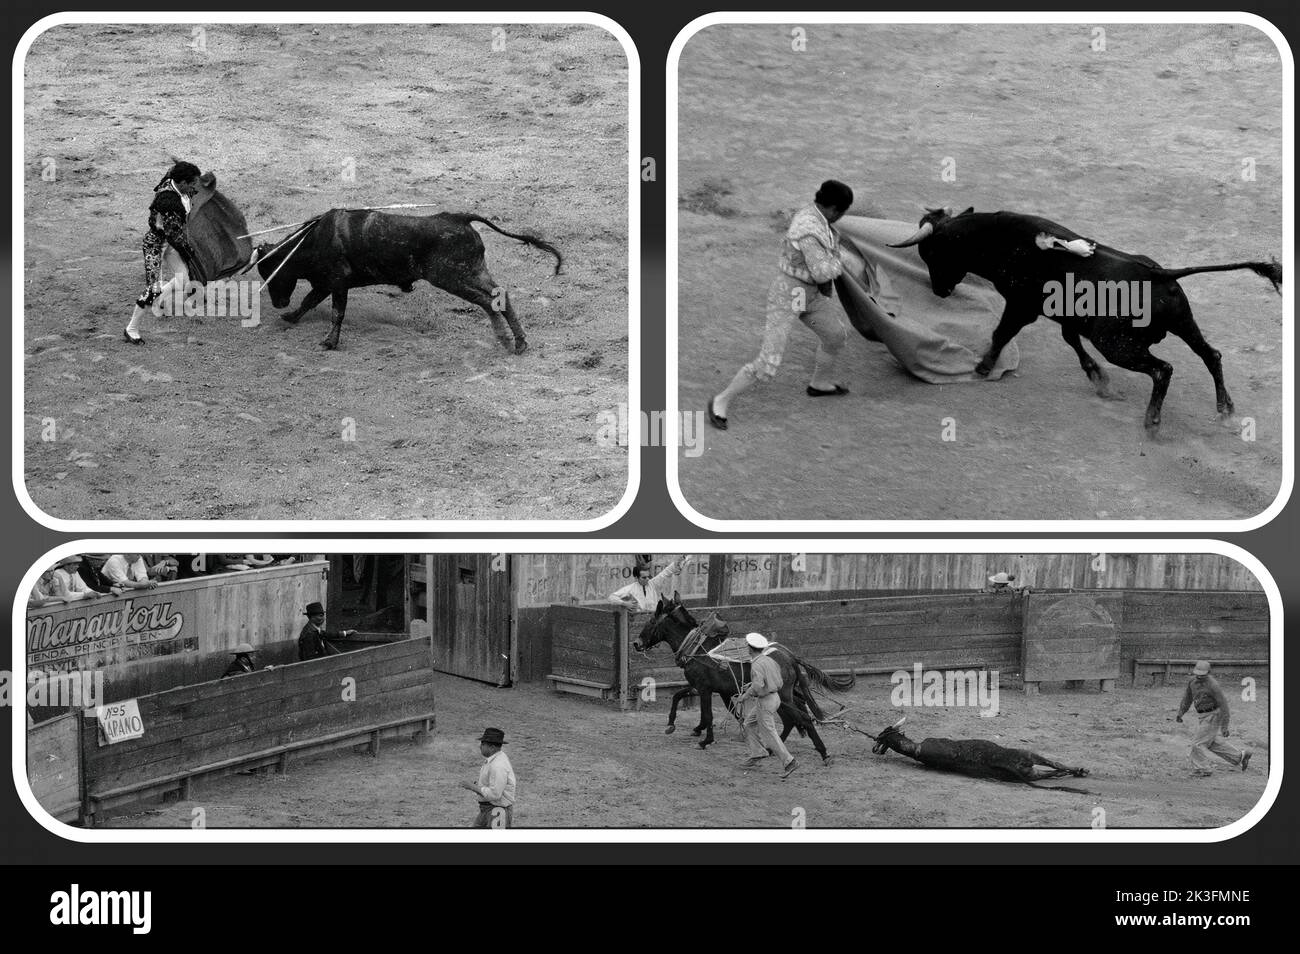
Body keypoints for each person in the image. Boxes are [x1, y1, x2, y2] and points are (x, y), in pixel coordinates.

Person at [708, 180, 856, 429]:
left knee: (834, 335)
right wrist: (842, 261)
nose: (841, 217)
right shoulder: (809, 230)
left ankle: (819, 383)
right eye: (841, 212)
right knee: (768, 362)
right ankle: (720, 401)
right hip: (788, 294)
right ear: (833, 209)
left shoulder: (817, 216)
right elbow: (822, 272)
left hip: (809, 294)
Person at [124, 160, 204, 344]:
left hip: (171, 242)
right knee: (152, 290)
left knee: (183, 279)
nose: (194, 187)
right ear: (182, 183)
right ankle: (132, 328)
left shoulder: (175, 183)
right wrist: (191, 253)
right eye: (192, 183)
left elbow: (170, 173)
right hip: (157, 244)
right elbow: (174, 236)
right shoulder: (169, 202)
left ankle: (162, 297)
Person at [735, 633, 797, 778]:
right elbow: (775, 679)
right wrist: (753, 685)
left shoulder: (756, 665)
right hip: (775, 697)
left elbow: (758, 686)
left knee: (769, 733)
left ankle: (789, 762)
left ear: (750, 649)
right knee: (749, 724)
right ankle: (758, 753)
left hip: (765, 702)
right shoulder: (769, 660)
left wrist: (744, 696)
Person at [1176, 660, 1251, 775]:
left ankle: (1203, 769)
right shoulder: (1192, 682)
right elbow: (1187, 698)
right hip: (1202, 716)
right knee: (1209, 742)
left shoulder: (1213, 685)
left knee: (1198, 743)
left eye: (1203, 674)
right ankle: (1239, 757)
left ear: (1208, 672)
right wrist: (1181, 713)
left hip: (1213, 715)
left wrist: (1224, 726)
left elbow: (1224, 705)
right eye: (1198, 674)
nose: (1200, 677)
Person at [460, 727, 517, 828]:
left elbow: (495, 794)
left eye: (483, 744)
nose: (480, 746)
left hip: (497, 810)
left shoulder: (498, 765)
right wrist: (479, 787)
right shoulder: (496, 759)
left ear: (492, 747)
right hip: (489, 809)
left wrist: (472, 787)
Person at [608, 554, 693, 611]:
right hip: (638, 621)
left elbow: (666, 573)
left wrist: (677, 563)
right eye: (644, 577)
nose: (647, 579)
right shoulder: (631, 588)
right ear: (637, 577)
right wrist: (625, 603)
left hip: (653, 620)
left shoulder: (652, 584)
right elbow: (611, 597)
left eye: (648, 576)